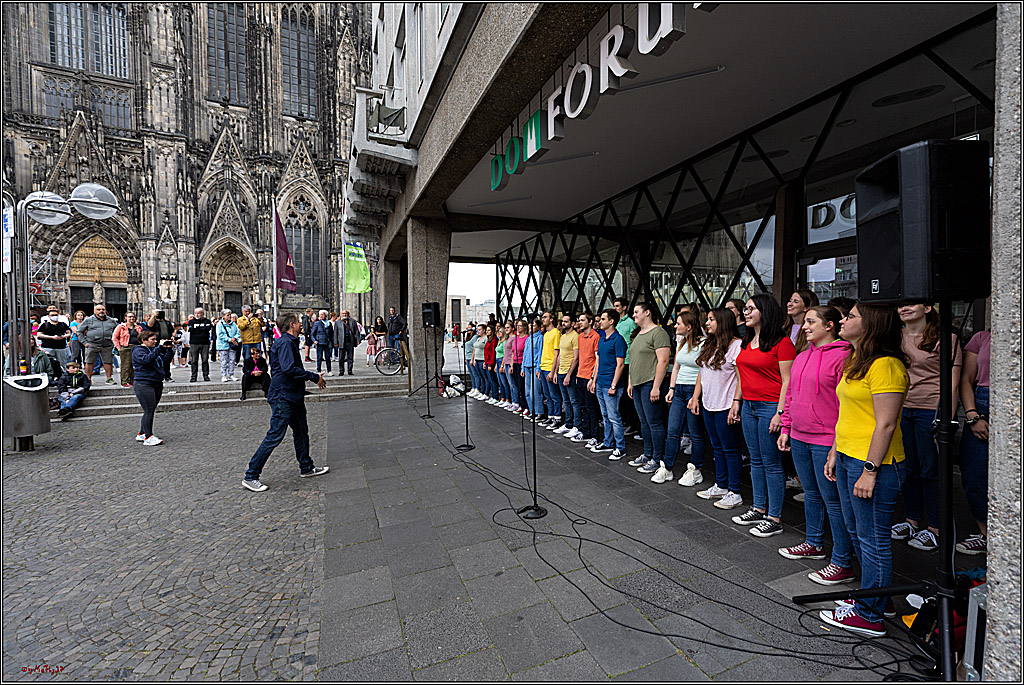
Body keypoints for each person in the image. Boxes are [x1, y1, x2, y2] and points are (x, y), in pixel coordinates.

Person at [818, 303, 909, 638]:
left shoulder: (886, 365)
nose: (843, 320)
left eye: (851, 316)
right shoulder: (856, 360)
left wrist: (870, 471)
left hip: (875, 464)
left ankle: (870, 616)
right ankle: (878, 600)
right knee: (857, 532)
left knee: (872, 539)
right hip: (847, 456)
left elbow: (885, 424)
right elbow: (848, 415)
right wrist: (834, 452)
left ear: (871, 325)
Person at [777, 306, 856, 584]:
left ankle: (842, 562)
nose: (805, 326)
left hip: (826, 441)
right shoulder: (801, 356)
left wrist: (836, 444)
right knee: (811, 494)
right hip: (799, 435)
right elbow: (790, 395)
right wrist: (786, 426)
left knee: (834, 502)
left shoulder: (845, 356)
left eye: (811, 322)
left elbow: (846, 405)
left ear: (830, 325)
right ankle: (814, 543)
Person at [891, 301, 962, 552]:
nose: (904, 308)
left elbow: (952, 383)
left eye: (911, 304)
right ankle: (911, 520)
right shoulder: (894, 336)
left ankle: (935, 528)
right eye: (900, 305)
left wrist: (946, 420)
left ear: (929, 308)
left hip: (929, 410)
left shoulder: (947, 338)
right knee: (908, 467)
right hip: (900, 407)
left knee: (931, 469)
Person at [731, 294, 796, 538]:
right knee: (755, 460)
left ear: (765, 312)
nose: (745, 312)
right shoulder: (746, 341)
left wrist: (781, 412)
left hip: (770, 406)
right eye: (745, 309)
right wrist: (737, 401)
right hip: (749, 405)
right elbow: (741, 374)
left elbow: (788, 380)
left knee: (771, 462)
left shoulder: (783, 343)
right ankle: (758, 508)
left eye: (751, 309)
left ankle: (774, 517)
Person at [242, 312, 329, 492]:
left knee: (301, 432)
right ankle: (251, 475)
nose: (301, 324)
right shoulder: (286, 343)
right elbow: (289, 368)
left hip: (292, 395)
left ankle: (306, 467)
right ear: (291, 325)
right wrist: (313, 377)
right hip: (283, 396)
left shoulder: (288, 342)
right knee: (275, 435)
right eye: (298, 322)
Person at [689, 308, 744, 509]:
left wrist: (736, 403)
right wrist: (696, 397)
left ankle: (735, 491)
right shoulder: (709, 344)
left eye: (711, 319)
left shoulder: (736, 345)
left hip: (726, 405)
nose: (707, 323)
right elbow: (702, 374)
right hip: (709, 404)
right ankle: (721, 485)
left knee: (730, 449)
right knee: (717, 447)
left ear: (723, 322)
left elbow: (741, 378)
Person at [657, 309, 707, 485]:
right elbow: (676, 367)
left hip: (694, 390)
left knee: (695, 433)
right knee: (672, 431)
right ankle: (667, 468)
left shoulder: (704, 343)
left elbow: (703, 370)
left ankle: (695, 469)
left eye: (678, 323)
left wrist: (695, 396)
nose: (675, 325)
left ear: (689, 326)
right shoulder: (682, 343)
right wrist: (671, 388)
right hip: (679, 390)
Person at [625, 302, 672, 475]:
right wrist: (630, 382)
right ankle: (648, 454)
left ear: (648, 313)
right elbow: (633, 361)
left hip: (649, 383)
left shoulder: (658, 333)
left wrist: (656, 386)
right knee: (644, 422)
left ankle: (657, 458)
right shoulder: (638, 334)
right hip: (637, 384)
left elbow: (663, 361)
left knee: (654, 422)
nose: (634, 315)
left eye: (637, 312)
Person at [956, 324, 991, 555]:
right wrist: (972, 414)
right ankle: (987, 535)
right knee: (974, 476)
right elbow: (966, 379)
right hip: (982, 402)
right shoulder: (981, 337)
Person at [589, 308, 627, 460]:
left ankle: (620, 447)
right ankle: (608, 442)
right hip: (600, 383)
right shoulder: (602, 338)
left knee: (614, 417)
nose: (600, 322)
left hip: (611, 385)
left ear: (611, 321)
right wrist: (594, 379)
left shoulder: (618, 340)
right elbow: (598, 361)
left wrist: (613, 385)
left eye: (603, 319)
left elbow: (620, 365)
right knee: (605, 415)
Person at [132, 330, 174, 446]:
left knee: (150, 409)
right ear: (143, 340)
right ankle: (148, 437)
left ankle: (142, 433)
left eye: (156, 340)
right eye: (152, 340)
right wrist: (159, 347)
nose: (155, 342)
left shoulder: (153, 350)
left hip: (156, 382)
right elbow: (146, 360)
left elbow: (165, 361)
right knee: (149, 410)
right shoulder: (138, 350)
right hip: (144, 384)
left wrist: (169, 349)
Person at [613, 297, 641, 437]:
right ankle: (625, 420)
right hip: (618, 361)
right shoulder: (616, 322)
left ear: (624, 307)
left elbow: (635, 340)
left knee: (627, 394)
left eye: (618, 306)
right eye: (614, 306)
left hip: (628, 361)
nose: (615, 308)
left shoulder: (630, 322)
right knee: (620, 394)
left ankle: (632, 423)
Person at [574, 313, 601, 446]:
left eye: (582, 320)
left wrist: (593, 378)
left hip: (589, 376)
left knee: (591, 407)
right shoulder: (580, 336)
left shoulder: (596, 336)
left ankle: (595, 435)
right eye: (579, 320)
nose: (580, 322)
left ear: (590, 322)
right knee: (583, 406)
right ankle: (586, 432)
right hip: (580, 375)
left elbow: (597, 359)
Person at [77, 304, 119, 384]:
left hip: (107, 345)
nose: (101, 311)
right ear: (94, 311)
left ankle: (109, 378)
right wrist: (85, 343)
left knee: (108, 362)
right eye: (99, 309)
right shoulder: (88, 320)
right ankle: (88, 379)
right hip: (92, 344)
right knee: (89, 362)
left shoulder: (111, 320)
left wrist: (115, 342)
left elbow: (117, 331)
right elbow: (79, 331)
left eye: (103, 309)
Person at [554, 314, 581, 438]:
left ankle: (577, 426)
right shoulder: (563, 336)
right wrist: (555, 372)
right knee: (566, 400)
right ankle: (568, 424)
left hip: (570, 372)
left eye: (566, 321)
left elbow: (576, 358)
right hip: (561, 372)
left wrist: (569, 374)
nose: (563, 323)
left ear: (573, 323)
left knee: (574, 401)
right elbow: (559, 355)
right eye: (562, 321)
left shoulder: (575, 336)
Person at [539, 311, 563, 427]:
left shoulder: (556, 333)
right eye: (542, 317)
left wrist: (553, 371)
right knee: (547, 395)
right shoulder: (546, 334)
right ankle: (551, 416)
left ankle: (557, 418)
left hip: (550, 368)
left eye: (545, 317)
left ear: (551, 319)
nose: (543, 319)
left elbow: (557, 353)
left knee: (554, 395)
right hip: (543, 366)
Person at [522, 318, 545, 420]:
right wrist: (522, 367)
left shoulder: (540, 337)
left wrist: (539, 368)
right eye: (530, 325)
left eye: (534, 325)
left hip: (535, 366)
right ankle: (532, 411)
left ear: (539, 327)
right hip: (526, 366)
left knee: (535, 391)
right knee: (527, 392)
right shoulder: (528, 338)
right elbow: (525, 354)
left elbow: (540, 354)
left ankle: (539, 411)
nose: (531, 327)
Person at [36, 306, 72, 373]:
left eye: (56, 315)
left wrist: (63, 336)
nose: (54, 316)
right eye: (52, 315)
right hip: (48, 346)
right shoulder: (45, 325)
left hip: (61, 347)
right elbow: (39, 334)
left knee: (61, 363)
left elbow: (69, 333)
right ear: (49, 316)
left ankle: (61, 376)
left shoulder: (63, 324)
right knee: (49, 363)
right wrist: (52, 337)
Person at [112, 313, 144, 386]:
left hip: (136, 347)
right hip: (125, 347)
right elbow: (114, 338)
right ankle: (124, 381)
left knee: (135, 365)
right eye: (130, 317)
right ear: (125, 318)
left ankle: (133, 380)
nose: (132, 318)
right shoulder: (121, 326)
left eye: (133, 317)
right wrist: (119, 348)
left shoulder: (138, 327)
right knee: (126, 365)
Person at [786, 289, 820, 354]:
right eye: (790, 301)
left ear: (806, 307)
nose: (789, 304)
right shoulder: (784, 328)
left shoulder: (811, 330)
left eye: (795, 301)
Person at [186, 307, 214, 382]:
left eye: (198, 313)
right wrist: (202, 327)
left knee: (205, 360)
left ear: (203, 314)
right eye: (195, 313)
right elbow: (191, 329)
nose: (197, 315)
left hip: (205, 343)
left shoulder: (207, 321)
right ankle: (193, 376)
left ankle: (206, 376)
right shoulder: (191, 321)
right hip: (194, 343)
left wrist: (197, 328)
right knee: (194, 360)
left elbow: (208, 329)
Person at [215, 309, 240, 382]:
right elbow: (220, 335)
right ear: (223, 316)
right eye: (228, 315)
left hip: (232, 345)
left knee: (232, 360)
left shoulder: (233, 324)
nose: (229, 316)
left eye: (230, 315)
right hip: (223, 345)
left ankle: (231, 374)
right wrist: (229, 339)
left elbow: (238, 332)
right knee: (224, 361)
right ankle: (224, 375)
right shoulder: (219, 324)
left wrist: (234, 338)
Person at [336, 310, 360, 376]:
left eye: (345, 313)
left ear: (348, 314)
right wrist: (335, 342)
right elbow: (335, 333)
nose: (344, 315)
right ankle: (341, 371)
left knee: (350, 357)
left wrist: (358, 340)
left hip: (350, 342)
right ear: (341, 314)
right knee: (341, 358)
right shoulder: (337, 322)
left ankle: (350, 370)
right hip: (341, 342)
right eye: (343, 313)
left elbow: (356, 331)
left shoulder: (353, 321)